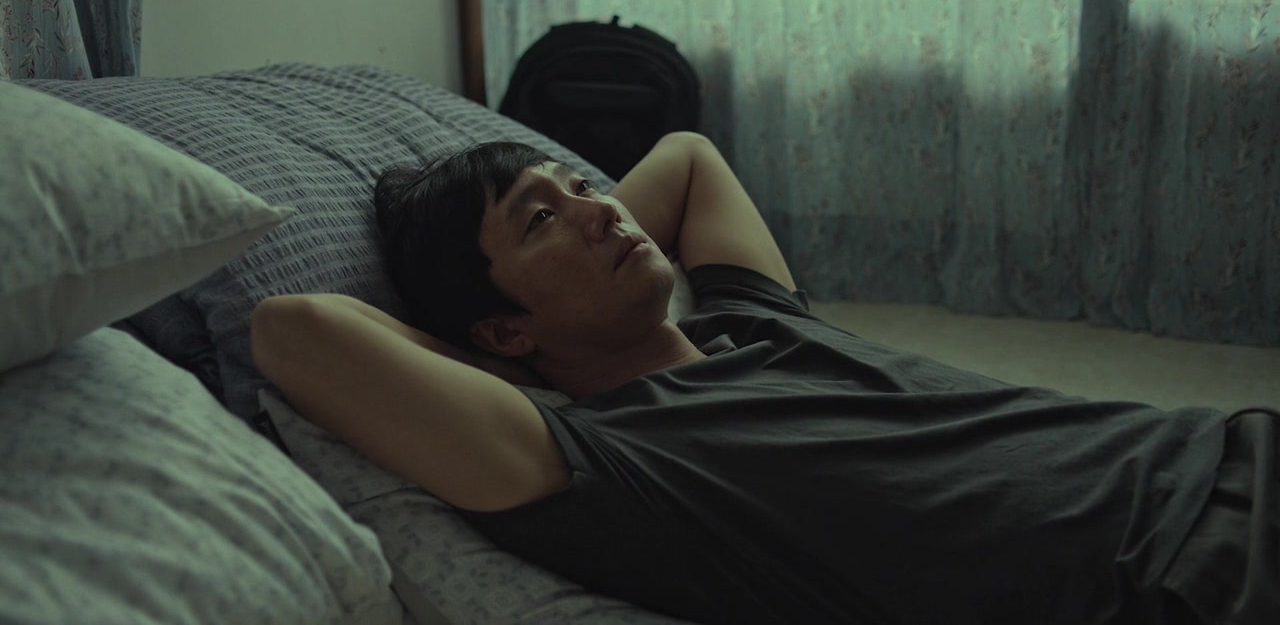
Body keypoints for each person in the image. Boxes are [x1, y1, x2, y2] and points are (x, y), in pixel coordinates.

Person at [250, 132, 1276, 625]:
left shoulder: (750, 323)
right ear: (501, 331)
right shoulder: (607, 462)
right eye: (542, 218)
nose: (604, 209)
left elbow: (689, 157)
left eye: (582, 185)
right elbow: (291, 329)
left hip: (1224, 446)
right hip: (1185, 579)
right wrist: (506, 359)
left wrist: (562, 238)